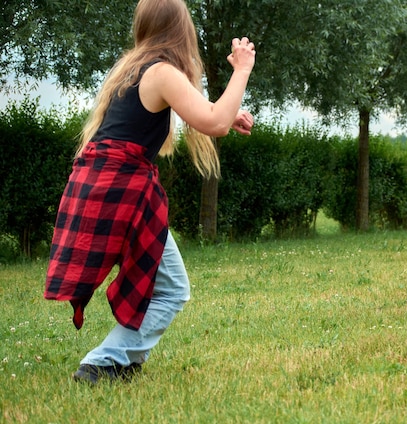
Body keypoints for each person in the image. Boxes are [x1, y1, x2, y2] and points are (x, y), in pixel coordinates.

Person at [44, 0, 255, 384]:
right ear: (181, 29)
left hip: (105, 185)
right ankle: (104, 361)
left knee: (169, 286)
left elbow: (204, 111)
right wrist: (242, 70)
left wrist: (228, 109)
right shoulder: (162, 71)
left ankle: (123, 361)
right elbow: (216, 123)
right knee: (173, 289)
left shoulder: (133, 67)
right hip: (122, 191)